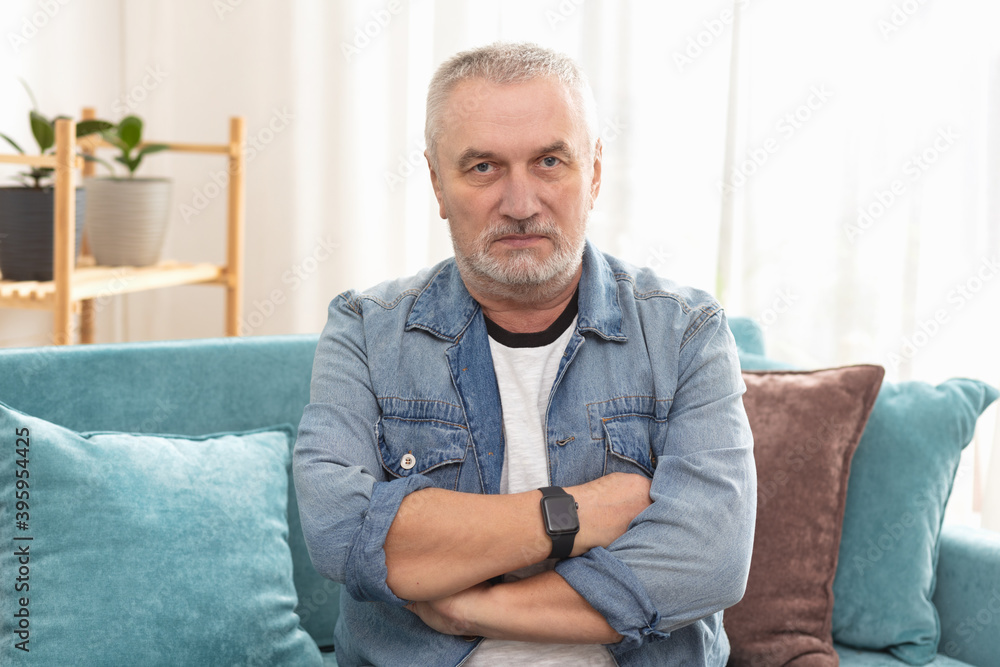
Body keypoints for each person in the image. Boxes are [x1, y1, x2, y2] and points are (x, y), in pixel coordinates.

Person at [293, 41, 756, 666]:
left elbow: (710, 559)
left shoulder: (686, 332)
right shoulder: (364, 333)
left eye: (548, 161)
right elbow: (341, 534)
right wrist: (578, 513)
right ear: (436, 181)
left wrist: (472, 607)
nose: (519, 203)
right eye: (483, 167)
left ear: (593, 172)